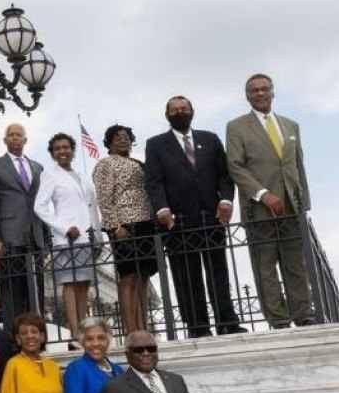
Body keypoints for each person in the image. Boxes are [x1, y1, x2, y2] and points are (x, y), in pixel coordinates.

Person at [144, 96, 244, 337]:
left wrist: (226, 200)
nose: (180, 112)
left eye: (184, 108)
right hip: (177, 222)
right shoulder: (156, 144)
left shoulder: (209, 139)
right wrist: (161, 209)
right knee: (186, 276)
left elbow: (224, 175)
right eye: (175, 110)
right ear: (167, 114)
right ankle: (197, 326)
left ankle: (226, 322)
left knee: (218, 272)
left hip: (211, 217)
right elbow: (154, 181)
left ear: (192, 111)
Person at [225, 73, 313, 329]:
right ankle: (279, 319)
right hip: (259, 208)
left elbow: (298, 165)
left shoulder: (290, 125)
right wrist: (263, 194)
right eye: (254, 90)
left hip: (291, 206)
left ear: (273, 92)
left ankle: (304, 314)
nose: (260, 93)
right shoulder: (237, 126)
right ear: (248, 96)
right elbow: (236, 166)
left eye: (264, 89)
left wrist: (303, 203)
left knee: (296, 263)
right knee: (266, 266)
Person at [34, 133, 100, 343]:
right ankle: (74, 332)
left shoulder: (81, 175)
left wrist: (96, 235)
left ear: (72, 150)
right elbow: (39, 206)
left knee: (83, 284)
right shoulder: (50, 176)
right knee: (70, 284)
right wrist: (63, 227)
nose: (62, 151)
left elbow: (90, 206)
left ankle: (83, 328)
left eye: (66, 147)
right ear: (52, 154)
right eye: (57, 149)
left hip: (86, 237)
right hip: (66, 238)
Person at [93, 124, 159, 334]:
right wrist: (114, 226)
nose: (123, 140)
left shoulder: (138, 163)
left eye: (126, 137)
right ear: (109, 142)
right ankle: (131, 329)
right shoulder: (105, 164)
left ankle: (143, 325)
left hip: (146, 221)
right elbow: (104, 197)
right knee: (128, 276)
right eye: (117, 137)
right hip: (125, 224)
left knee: (143, 276)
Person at [0, 122, 46, 331]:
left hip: (34, 236)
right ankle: (14, 336)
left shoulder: (37, 167)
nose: (15, 138)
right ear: (5, 140)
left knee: (36, 290)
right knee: (13, 291)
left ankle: (37, 334)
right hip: (9, 237)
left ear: (25, 140)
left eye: (19, 135)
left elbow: (42, 204)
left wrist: (45, 238)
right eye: (11, 135)